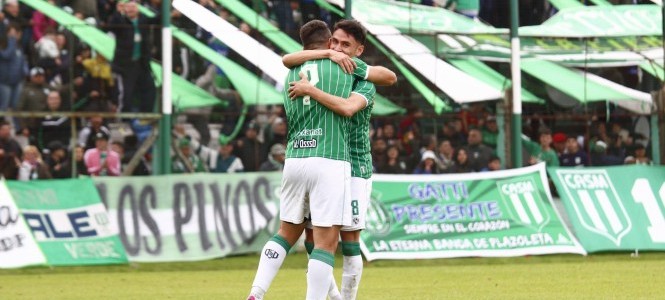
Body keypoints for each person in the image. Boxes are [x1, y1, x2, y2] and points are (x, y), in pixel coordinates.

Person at [248, 19, 396, 300]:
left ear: (359, 50)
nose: (338, 48)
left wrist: (311, 88)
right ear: (327, 42)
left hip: (350, 166)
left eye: (345, 45)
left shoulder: (356, 76)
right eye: (335, 42)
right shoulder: (330, 66)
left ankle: (341, 298)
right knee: (319, 241)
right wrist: (328, 55)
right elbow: (291, 58)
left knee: (347, 242)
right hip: (331, 161)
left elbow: (372, 90)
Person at [108, 0, 157, 113]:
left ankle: (146, 115)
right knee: (126, 93)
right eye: (128, 8)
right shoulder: (121, 21)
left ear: (138, 9)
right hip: (125, 65)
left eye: (133, 7)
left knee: (149, 88)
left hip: (141, 63)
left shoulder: (143, 20)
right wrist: (117, 12)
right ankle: (125, 117)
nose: (131, 10)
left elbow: (157, 18)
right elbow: (112, 26)